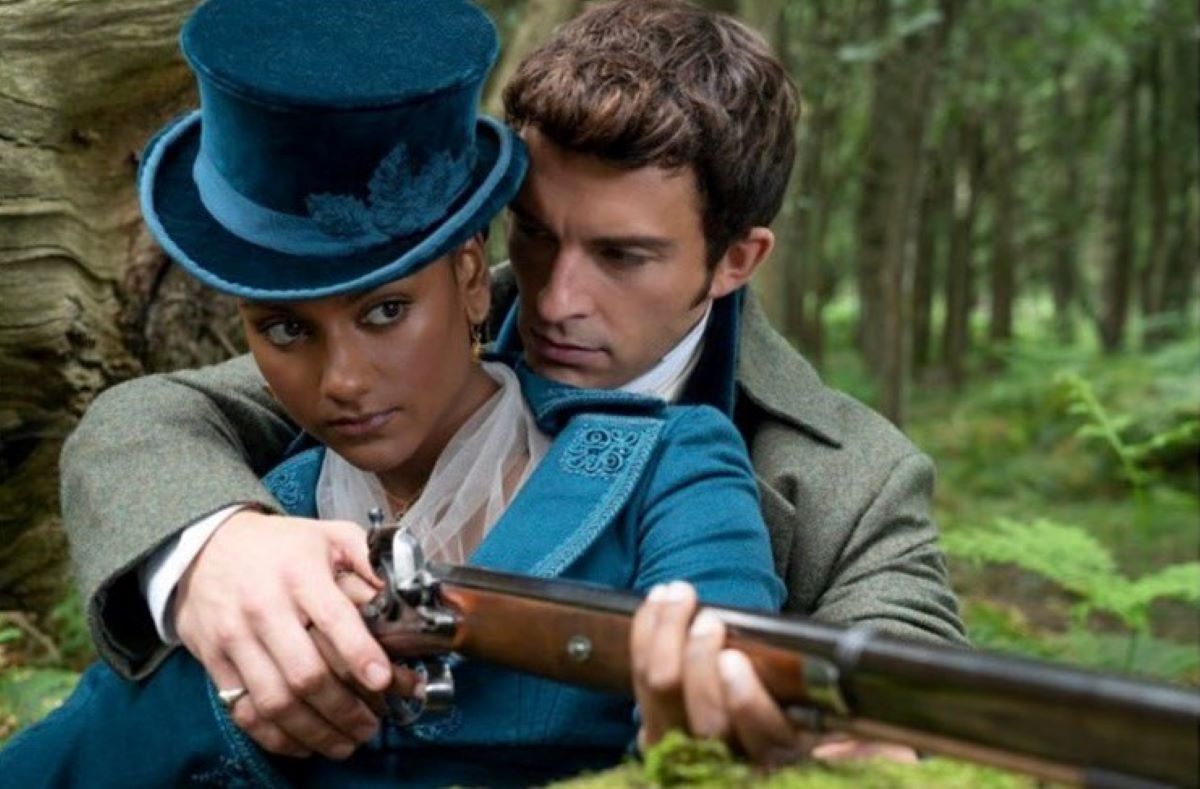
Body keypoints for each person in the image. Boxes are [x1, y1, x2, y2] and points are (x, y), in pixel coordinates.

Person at [57, 0, 965, 769]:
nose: (555, 300)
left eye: (622, 256)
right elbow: (153, 418)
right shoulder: (419, 327)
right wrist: (212, 548)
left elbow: (908, 674)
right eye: (534, 232)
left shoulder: (856, 476)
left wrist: (860, 748)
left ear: (737, 259)